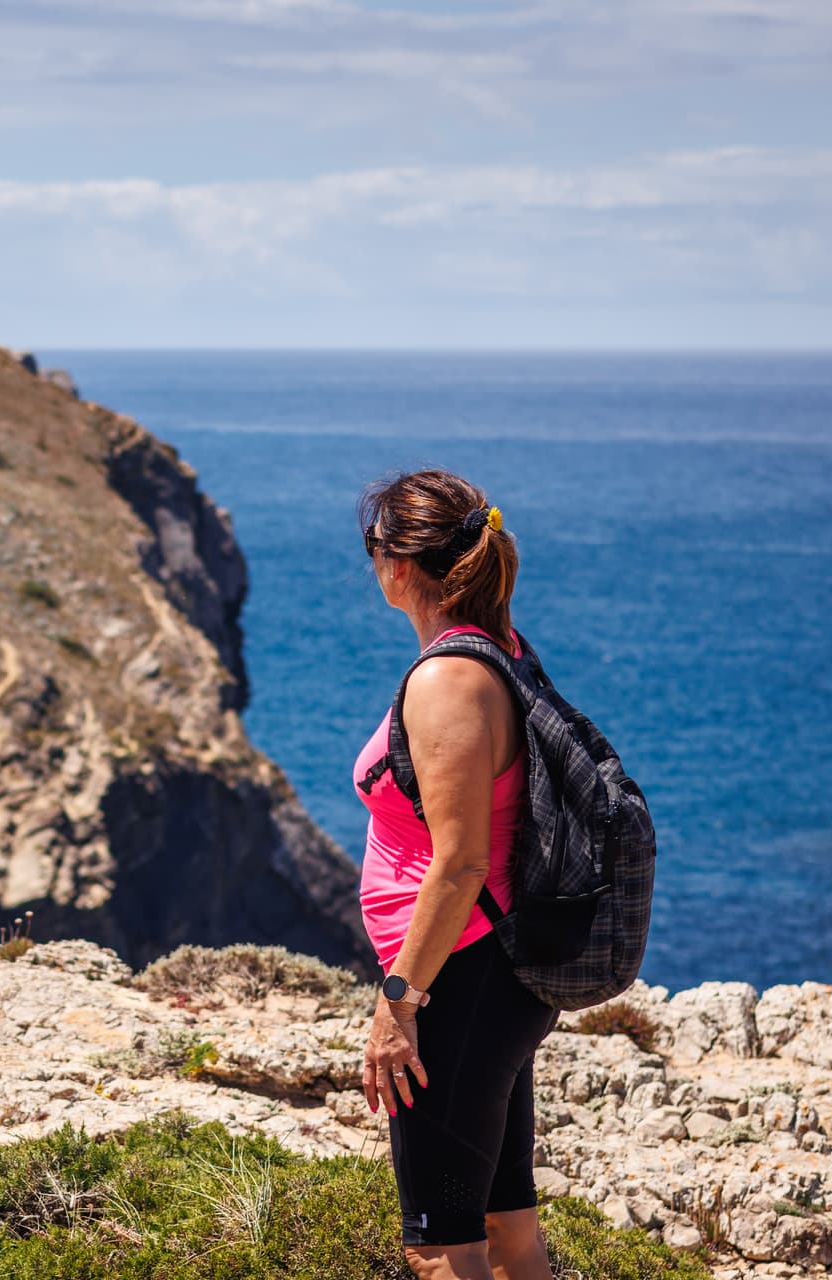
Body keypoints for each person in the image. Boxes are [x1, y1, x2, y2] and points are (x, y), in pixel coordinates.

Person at [353, 469, 557, 1280]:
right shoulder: (497, 651)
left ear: (400, 564)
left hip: (456, 977)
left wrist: (398, 1000)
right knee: (507, 1229)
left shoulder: (448, 680)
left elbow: (461, 861)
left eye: (373, 547)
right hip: (488, 976)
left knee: (441, 1247)